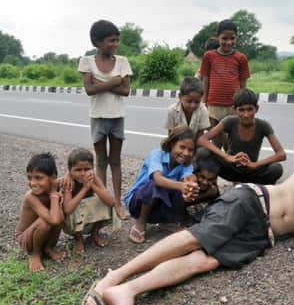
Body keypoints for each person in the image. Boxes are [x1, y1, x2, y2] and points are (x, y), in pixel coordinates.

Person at [81, 131, 294, 305]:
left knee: (205, 261)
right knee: (195, 237)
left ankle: (128, 290)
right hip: (251, 202)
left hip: (260, 234)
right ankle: (115, 276)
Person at [123, 127, 217, 244]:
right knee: (156, 185)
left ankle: (167, 221)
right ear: (172, 144)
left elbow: (188, 178)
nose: (186, 153)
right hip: (137, 204)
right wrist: (181, 186)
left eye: (190, 150)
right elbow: (158, 179)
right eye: (182, 147)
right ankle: (140, 223)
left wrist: (190, 186)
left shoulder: (186, 165)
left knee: (180, 188)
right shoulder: (157, 154)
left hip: (158, 207)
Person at [79, 20, 133, 220]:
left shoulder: (122, 61)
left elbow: (126, 91)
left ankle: (118, 204)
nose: (115, 44)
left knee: (116, 162)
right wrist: (114, 81)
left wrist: (101, 83)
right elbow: (89, 90)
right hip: (98, 117)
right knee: (100, 162)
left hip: (117, 117)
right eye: (111, 40)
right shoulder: (87, 61)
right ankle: (103, 203)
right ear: (97, 41)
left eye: (117, 40)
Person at [198, 88, 286, 185]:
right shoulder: (230, 121)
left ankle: (259, 190)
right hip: (230, 169)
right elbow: (202, 140)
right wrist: (227, 157)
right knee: (202, 153)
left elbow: (281, 154)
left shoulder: (263, 125)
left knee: (276, 168)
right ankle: (211, 186)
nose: (246, 115)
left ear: (256, 108)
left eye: (250, 109)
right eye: (241, 110)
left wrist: (255, 164)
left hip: (251, 171)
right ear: (234, 110)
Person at [199, 19, 251, 148]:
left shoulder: (241, 58)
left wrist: (243, 103)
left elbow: (243, 82)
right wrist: (204, 102)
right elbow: (206, 80)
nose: (228, 42)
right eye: (224, 38)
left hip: (233, 105)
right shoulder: (209, 56)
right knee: (216, 140)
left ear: (236, 38)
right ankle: (217, 166)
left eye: (232, 38)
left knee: (231, 141)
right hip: (213, 105)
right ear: (218, 37)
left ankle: (230, 165)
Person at [15, 153, 65, 272]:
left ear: (53, 177)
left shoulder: (56, 183)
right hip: (25, 238)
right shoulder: (31, 197)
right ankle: (35, 254)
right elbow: (53, 220)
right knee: (45, 222)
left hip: (43, 230)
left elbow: (70, 177)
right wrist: (54, 194)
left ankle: (48, 248)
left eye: (38, 177)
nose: (32, 183)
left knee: (60, 215)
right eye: (29, 178)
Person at [59, 148, 115, 254]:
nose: (83, 173)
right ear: (70, 170)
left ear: (92, 168)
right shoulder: (69, 182)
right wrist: (85, 188)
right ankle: (78, 238)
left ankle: (94, 234)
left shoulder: (93, 178)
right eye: (78, 170)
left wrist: (92, 185)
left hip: (88, 217)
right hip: (73, 220)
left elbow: (111, 202)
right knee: (73, 208)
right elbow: (67, 209)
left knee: (105, 202)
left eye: (87, 169)